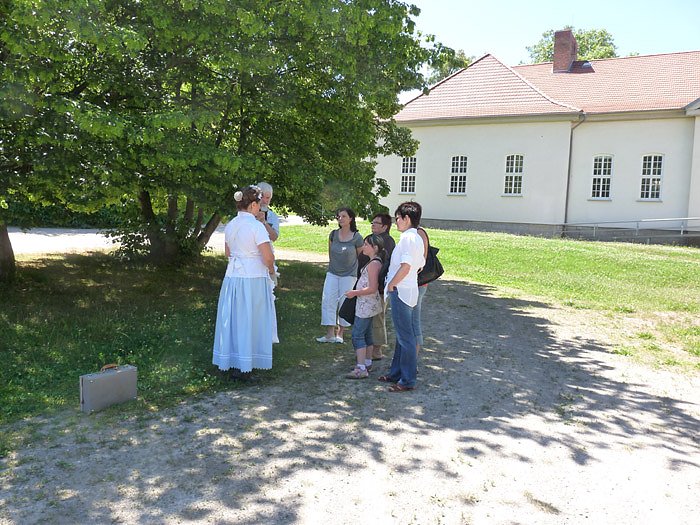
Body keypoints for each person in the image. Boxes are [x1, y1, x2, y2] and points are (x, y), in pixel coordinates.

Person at [212, 185, 278, 379]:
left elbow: (228, 252)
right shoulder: (256, 226)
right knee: (251, 319)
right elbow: (268, 257)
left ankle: (233, 360)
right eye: (259, 204)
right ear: (253, 205)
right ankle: (246, 365)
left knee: (234, 319)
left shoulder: (231, 224)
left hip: (233, 278)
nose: (260, 208)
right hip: (253, 279)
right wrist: (271, 270)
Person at [378, 201, 425, 392]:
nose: (396, 221)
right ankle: (396, 373)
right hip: (409, 290)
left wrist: (392, 284)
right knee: (402, 336)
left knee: (406, 338)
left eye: (398, 218)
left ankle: (407, 380)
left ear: (407, 218)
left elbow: (406, 266)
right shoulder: (417, 237)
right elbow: (420, 265)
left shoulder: (408, 238)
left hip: (401, 291)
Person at [317, 207, 364, 344]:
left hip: (349, 275)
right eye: (338, 216)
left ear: (351, 219)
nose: (340, 218)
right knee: (328, 300)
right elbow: (330, 254)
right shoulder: (333, 234)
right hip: (333, 273)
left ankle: (340, 333)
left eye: (344, 216)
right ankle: (329, 333)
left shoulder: (357, 237)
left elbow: (361, 257)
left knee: (344, 302)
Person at [345, 234, 385, 379]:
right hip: (368, 304)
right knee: (367, 333)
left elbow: (372, 287)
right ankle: (367, 362)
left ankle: (361, 367)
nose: (363, 247)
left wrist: (354, 293)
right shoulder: (375, 262)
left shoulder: (373, 264)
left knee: (357, 334)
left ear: (375, 248)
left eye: (367, 244)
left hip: (366, 305)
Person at [361, 213, 395, 360]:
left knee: (378, 317)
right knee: (369, 317)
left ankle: (377, 350)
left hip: (379, 286)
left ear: (385, 226)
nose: (373, 225)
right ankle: (370, 348)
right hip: (368, 284)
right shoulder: (372, 238)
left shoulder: (387, 241)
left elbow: (384, 264)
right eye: (372, 222)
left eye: (376, 223)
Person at [413, 226, 430, 353]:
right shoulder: (414, 233)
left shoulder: (419, 232)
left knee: (414, 320)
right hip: (413, 284)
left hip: (417, 284)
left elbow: (420, 262)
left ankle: (413, 357)